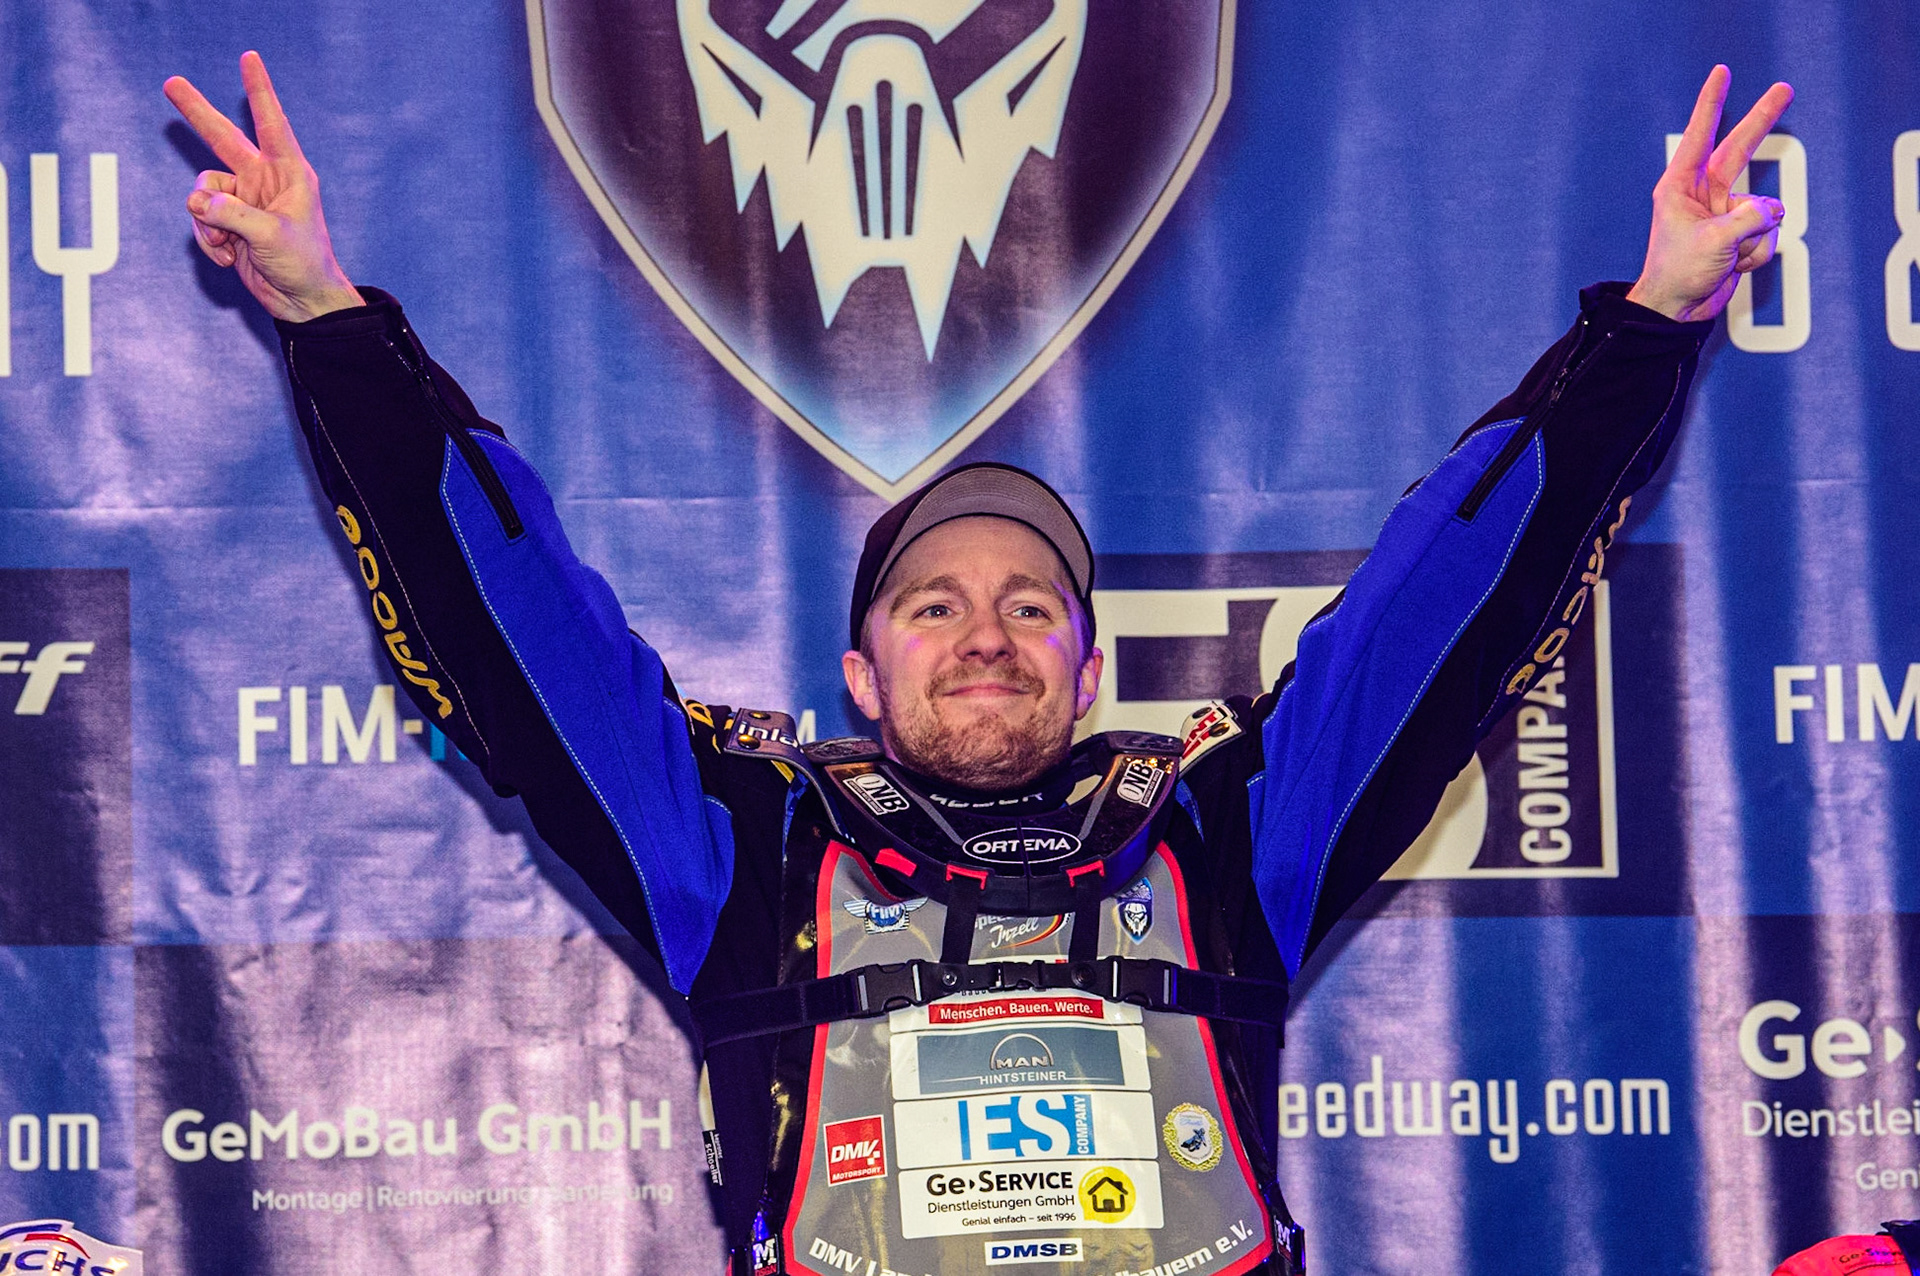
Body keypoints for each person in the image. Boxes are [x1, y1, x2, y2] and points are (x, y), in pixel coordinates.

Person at [165, 52, 1791, 1276]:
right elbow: (513, 625)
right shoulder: (742, 844)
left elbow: (1447, 602)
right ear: (859, 676)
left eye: (1032, 605)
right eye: (932, 605)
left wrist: (1648, 320)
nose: (988, 634)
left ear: (1089, 671)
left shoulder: (1225, 833)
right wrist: (327, 317)